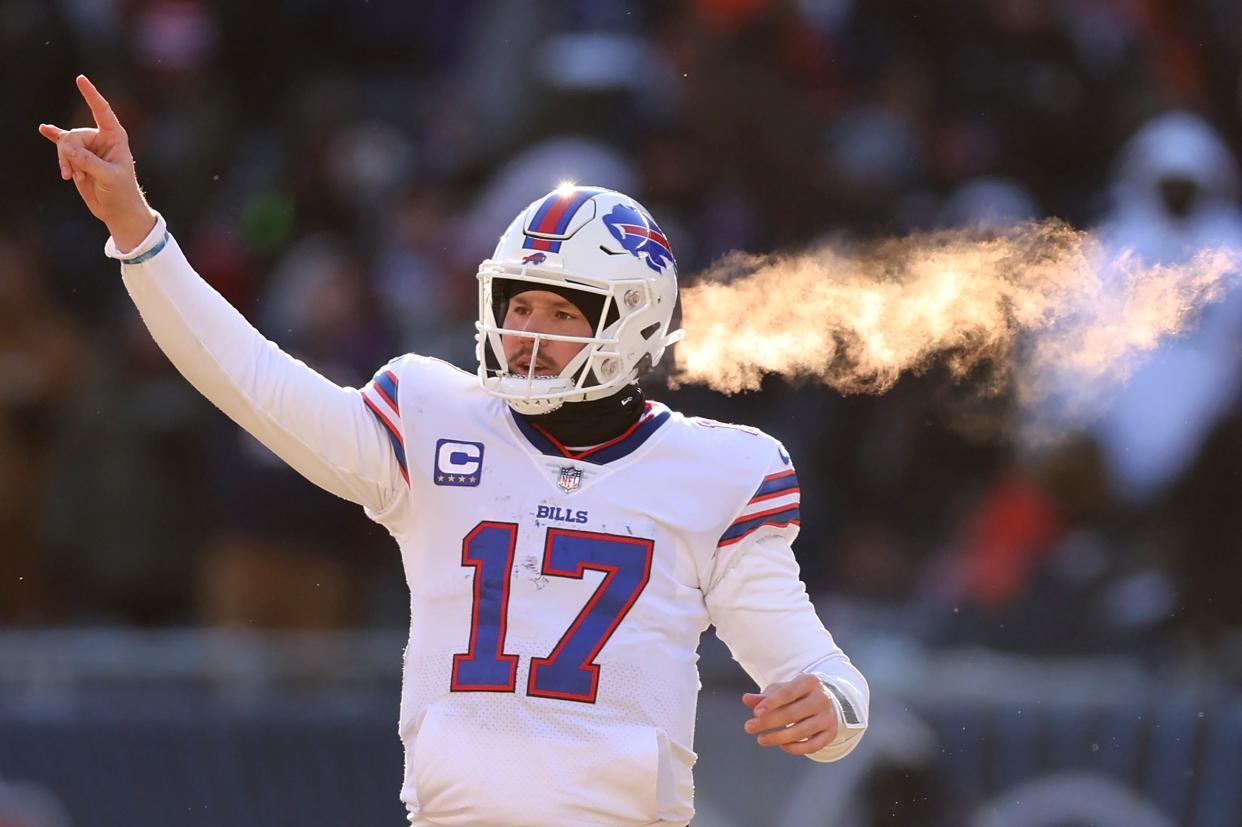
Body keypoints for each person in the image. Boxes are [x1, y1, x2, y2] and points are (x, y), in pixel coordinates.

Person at [40, 75, 869, 827]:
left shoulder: (717, 470)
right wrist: (138, 232)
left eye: (563, 312)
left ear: (635, 323)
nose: (529, 334)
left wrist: (831, 710)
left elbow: (816, 667)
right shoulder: (435, 416)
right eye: (520, 303)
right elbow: (253, 382)